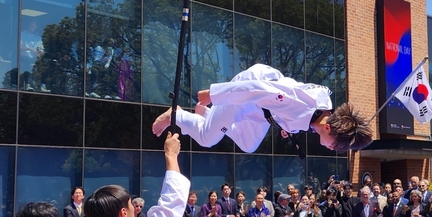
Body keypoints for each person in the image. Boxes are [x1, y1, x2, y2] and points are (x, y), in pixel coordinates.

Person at [151, 64, 372, 154]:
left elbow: (288, 109)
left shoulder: (322, 111)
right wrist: (214, 94)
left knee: (248, 144)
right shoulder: (300, 108)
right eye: (336, 145)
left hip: (262, 112)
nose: (333, 149)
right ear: (329, 129)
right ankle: (177, 114)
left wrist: (286, 126)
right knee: (208, 137)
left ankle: (210, 117)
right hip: (248, 93)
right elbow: (259, 89)